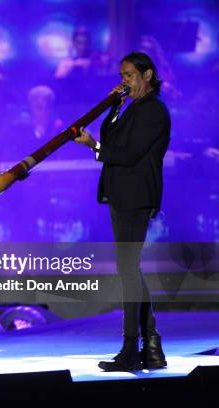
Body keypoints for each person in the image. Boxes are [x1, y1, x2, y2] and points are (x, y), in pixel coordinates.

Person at [74, 52, 170, 372]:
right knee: (129, 269)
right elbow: (113, 137)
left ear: (147, 75)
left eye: (129, 74)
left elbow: (126, 154)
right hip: (122, 195)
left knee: (128, 269)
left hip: (136, 196)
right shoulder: (133, 108)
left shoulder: (153, 110)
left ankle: (133, 348)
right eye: (122, 75)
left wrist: (93, 146)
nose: (124, 80)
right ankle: (151, 345)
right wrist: (114, 104)